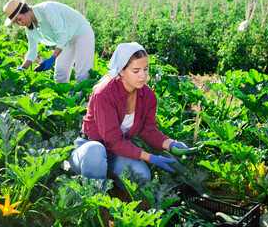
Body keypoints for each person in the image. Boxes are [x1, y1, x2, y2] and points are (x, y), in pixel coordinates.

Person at [68, 42, 188, 188]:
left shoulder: (148, 95)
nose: (143, 76)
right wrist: (151, 158)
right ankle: (93, 197)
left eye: (145, 69)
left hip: (114, 154)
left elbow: (148, 131)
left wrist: (172, 144)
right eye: (136, 71)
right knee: (96, 151)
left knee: (140, 177)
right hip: (88, 152)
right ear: (121, 71)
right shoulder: (104, 93)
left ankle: (115, 189)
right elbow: (113, 141)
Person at [2, 0, 95, 83]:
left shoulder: (47, 10)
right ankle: (63, 99)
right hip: (66, 40)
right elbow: (32, 50)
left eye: (20, 19)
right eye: (16, 22)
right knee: (60, 76)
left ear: (25, 10)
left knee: (82, 76)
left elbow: (61, 35)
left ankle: (86, 100)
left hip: (81, 32)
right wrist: (23, 68)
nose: (20, 23)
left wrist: (52, 58)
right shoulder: (29, 28)